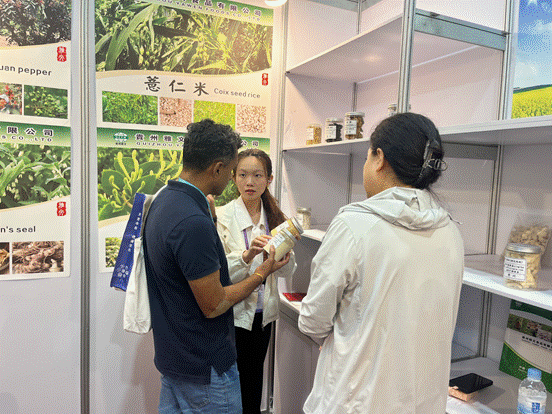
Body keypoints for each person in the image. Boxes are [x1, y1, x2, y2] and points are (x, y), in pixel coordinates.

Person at [298, 112, 464, 413]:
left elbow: (313, 319)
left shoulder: (353, 226)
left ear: (379, 159)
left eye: (367, 157)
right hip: (423, 403)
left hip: (355, 402)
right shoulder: (450, 231)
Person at [143, 119, 290, 414]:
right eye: (237, 171)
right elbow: (214, 304)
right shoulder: (192, 220)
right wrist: (262, 272)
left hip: (176, 359)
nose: (244, 181)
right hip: (204, 367)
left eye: (257, 175)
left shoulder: (164, 200)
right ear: (219, 168)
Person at [216, 149, 297, 414]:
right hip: (232, 315)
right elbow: (219, 273)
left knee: (253, 386)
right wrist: (247, 255)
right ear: (233, 178)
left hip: (263, 317)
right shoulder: (221, 217)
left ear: (269, 179)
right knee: (229, 388)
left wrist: (282, 259)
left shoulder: (275, 217)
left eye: (257, 175)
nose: (249, 182)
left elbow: (287, 271)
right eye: (242, 175)